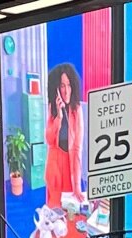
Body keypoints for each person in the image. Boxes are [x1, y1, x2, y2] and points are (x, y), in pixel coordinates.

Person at [44, 63, 84, 211]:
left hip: (70, 165)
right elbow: (49, 139)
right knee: (54, 211)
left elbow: (77, 148)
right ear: (56, 88)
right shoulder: (52, 108)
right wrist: (59, 116)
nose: (66, 91)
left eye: (68, 85)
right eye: (62, 86)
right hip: (55, 166)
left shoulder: (77, 110)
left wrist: (77, 186)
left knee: (70, 210)